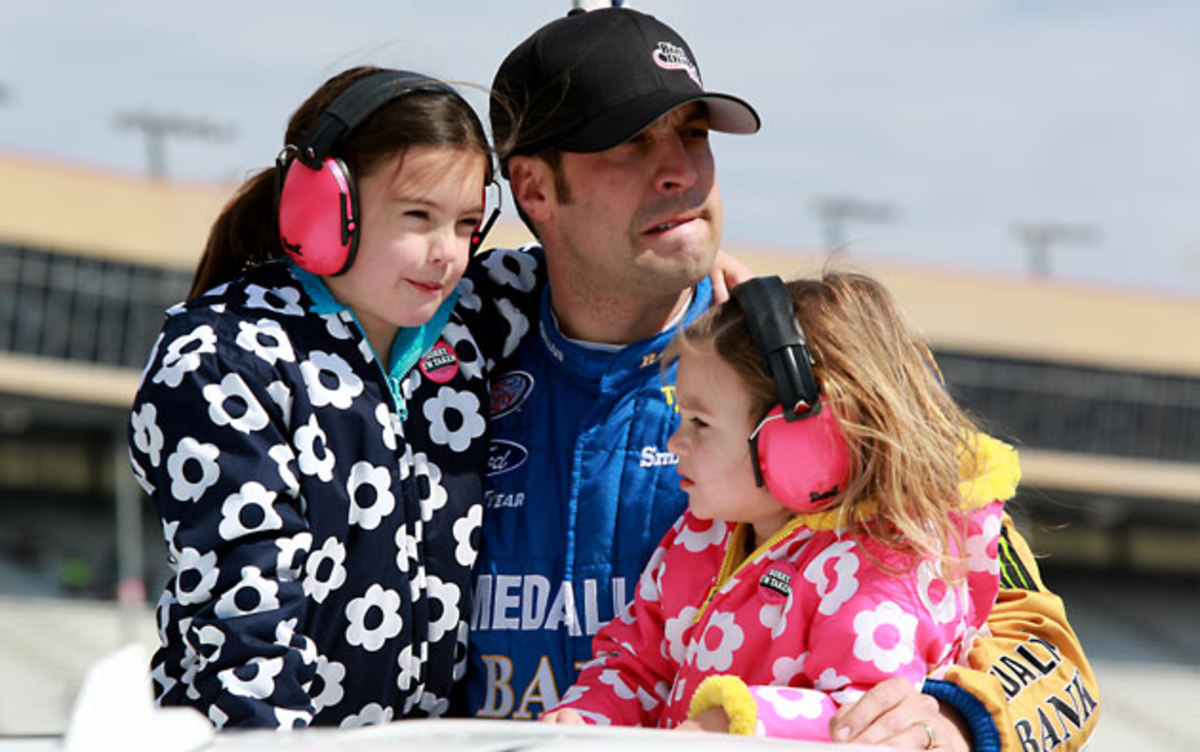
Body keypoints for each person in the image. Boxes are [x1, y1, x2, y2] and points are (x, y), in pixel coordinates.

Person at [466, 6, 1100, 751]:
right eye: (631, 142)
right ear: (535, 190)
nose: (682, 170)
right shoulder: (448, 370)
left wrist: (956, 719)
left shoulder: (817, 375)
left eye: (693, 134)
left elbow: (1054, 659)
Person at [128, 66, 502, 729]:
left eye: (467, 223)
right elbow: (244, 622)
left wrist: (704, 277)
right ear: (324, 208)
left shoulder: (477, 321)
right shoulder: (226, 359)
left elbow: (596, 279)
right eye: (418, 215)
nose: (447, 253)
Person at [539, 272, 1015, 740]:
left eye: (700, 423)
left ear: (809, 437)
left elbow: (867, 722)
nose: (675, 441)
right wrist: (588, 717)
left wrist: (742, 722)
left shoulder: (877, 574)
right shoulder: (703, 534)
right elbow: (640, 666)